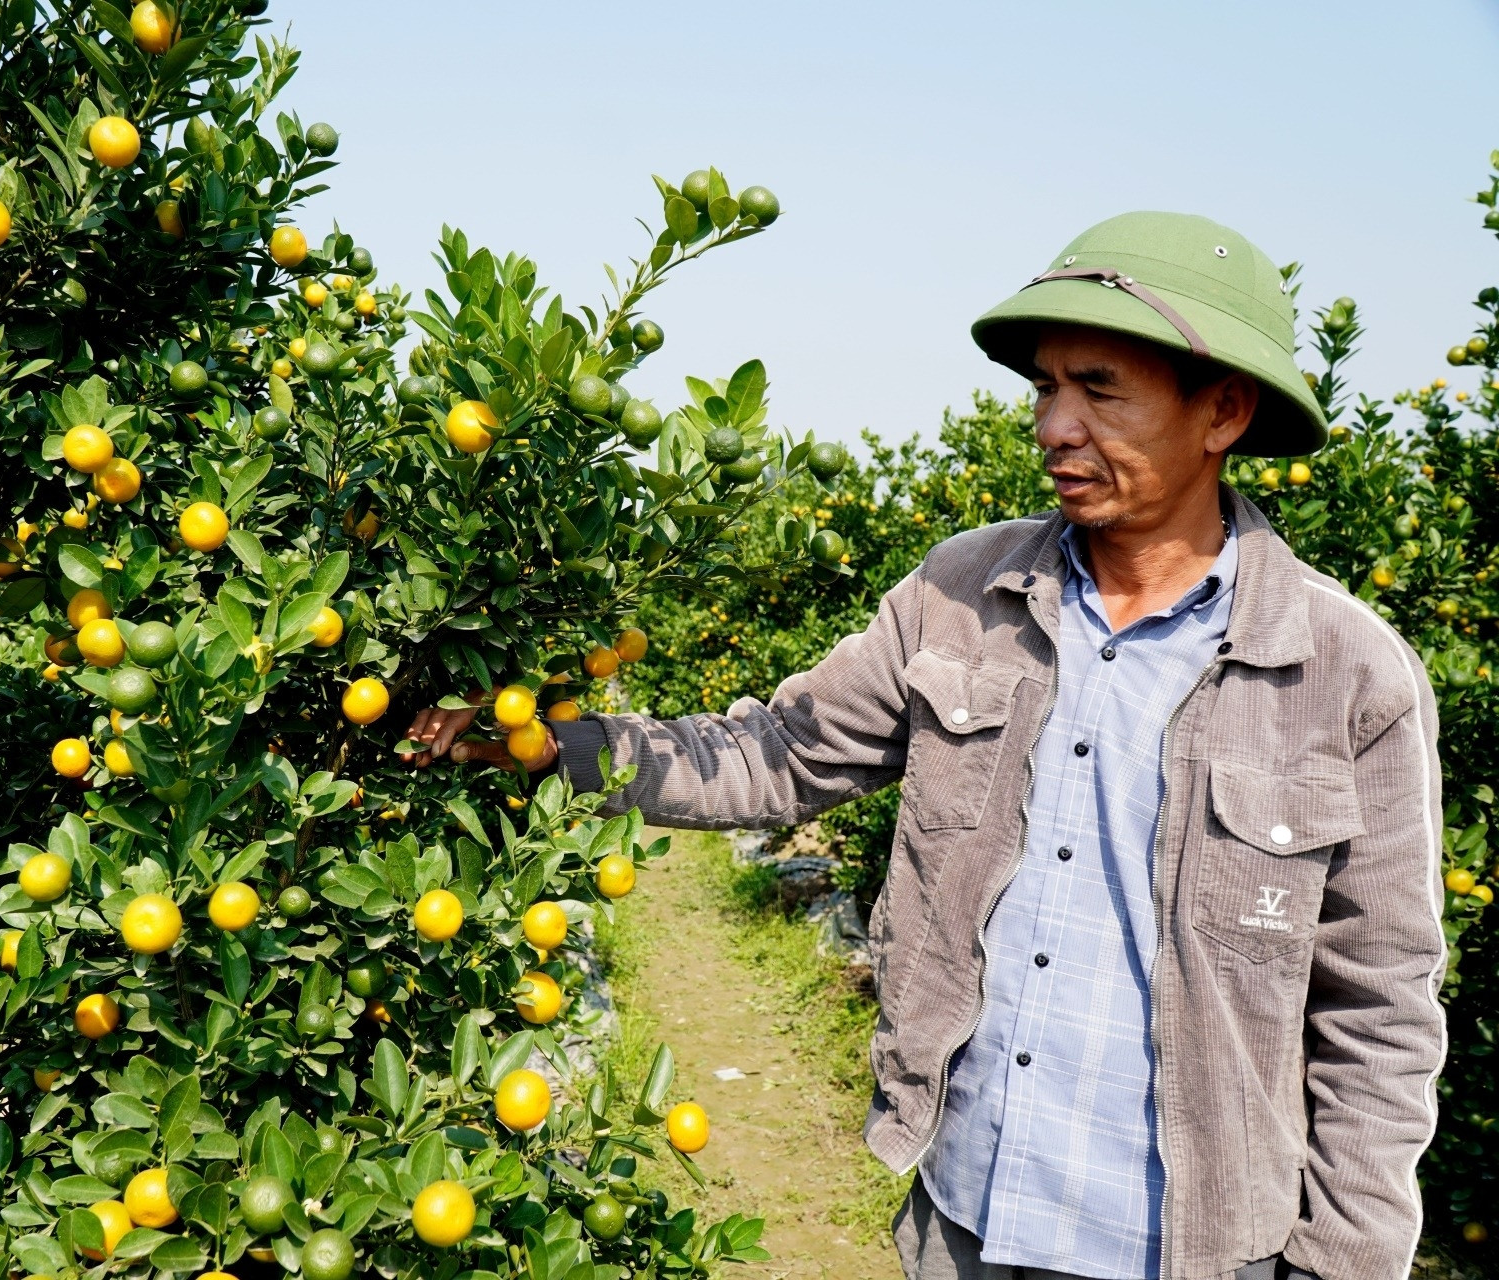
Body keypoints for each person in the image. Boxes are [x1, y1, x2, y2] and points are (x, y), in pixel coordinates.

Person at [401, 212, 1447, 1280]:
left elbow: (1379, 1005)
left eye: (1099, 387)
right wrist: (555, 750)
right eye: (1045, 387)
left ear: (1223, 409)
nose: (1054, 426)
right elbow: (780, 750)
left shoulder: (1347, 673)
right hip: (967, 1220)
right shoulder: (963, 593)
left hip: (1199, 1247)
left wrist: (1344, 1263)